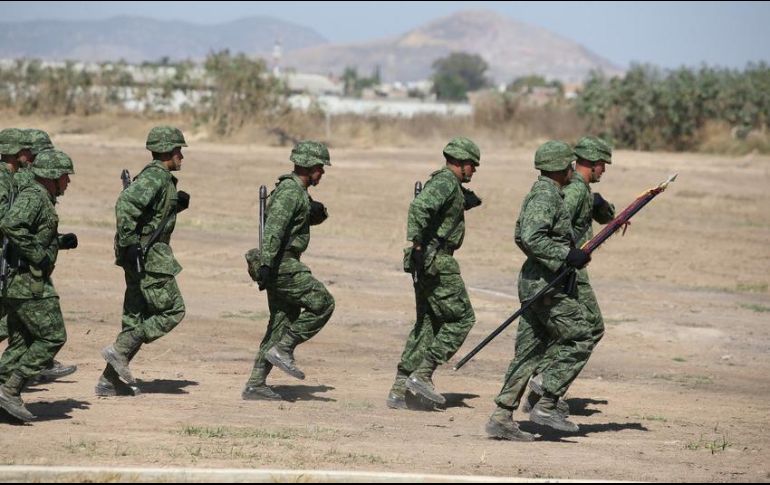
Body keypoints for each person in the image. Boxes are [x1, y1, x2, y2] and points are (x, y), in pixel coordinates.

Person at [486, 140, 592, 441]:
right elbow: (531, 237)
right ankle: (547, 403)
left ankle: (501, 417)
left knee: (530, 352)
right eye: (570, 165)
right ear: (561, 168)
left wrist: (559, 254)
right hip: (546, 284)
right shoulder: (546, 196)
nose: (574, 169)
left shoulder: (545, 192)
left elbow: (522, 235)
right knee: (581, 337)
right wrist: (564, 256)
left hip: (541, 280)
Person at [387, 137, 482, 410]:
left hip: (427, 260)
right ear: (460, 163)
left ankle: (399, 389)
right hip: (437, 262)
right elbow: (420, 208)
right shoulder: (444, 182)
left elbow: (434, 212)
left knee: (427, 325)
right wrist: (417, 245)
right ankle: (423, 374)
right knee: (462, 319)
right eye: (471, 166)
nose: (473, 171)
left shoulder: (449, 185)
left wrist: (461, 203)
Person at [97, 126, 190, 396]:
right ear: (168, 152)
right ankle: (119, 351)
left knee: (135, 318)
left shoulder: (159, 179)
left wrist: (175, 206)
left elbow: (149, 216)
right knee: (172, 310)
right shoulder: (156, 178)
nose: (181, 156)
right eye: (178, 151)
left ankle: (108, 381)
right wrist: (129, 244)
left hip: (143, 255)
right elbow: (126, 205)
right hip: (150, 257)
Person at [242, 141, 335, 401]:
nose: (322, 173)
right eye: (320, 168)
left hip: (280, 262)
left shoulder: (297, 192)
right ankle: (284, 349)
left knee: (281, 321)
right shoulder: (290, 192)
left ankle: (256, 383)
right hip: (283, 264)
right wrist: (267, 264)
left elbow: (292, 223)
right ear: (309, 167)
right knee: (324, 303)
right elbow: (274, 229)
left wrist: (315, 213)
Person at [0, 149, 76, 421]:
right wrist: (39, 255)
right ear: (53, 177)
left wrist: (56, 242)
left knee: (22, 342)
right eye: (65, 176)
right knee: (53, 336)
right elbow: (11, 224)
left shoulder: (42, 197)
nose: (68, 182)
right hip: (28, 283)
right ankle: (10, 390)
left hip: (22, 281)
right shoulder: (35, 196)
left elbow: (31, 231)